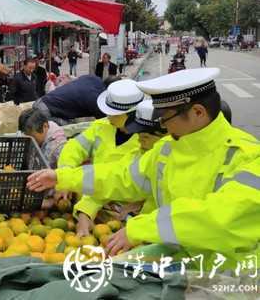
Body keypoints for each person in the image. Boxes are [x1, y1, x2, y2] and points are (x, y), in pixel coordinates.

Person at [27, 68, 260, 271]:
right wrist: (61, 177)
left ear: (198, 112)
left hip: (228, 279)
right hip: (175, 266)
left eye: (166, 117)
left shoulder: (248, 156)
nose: (163, 125)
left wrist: (139, 228)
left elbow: (219, 219)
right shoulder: (168, 148)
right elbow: (122, 177)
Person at [56, 79, 144, 237]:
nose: (108, 116)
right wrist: (64, 173)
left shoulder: (146, 139)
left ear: (130, 115)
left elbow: (117, 179)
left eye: (114, 114)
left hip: (128, 206)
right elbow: (74, 147)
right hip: (95, 195)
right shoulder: (101, 127)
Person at [19, 108, 68, 209]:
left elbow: (68, 171)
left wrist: (54, 199)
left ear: (45, 126)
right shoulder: (31, 132)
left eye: (33, 136)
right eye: (27, 136)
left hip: (50, 196)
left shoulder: (58, 146)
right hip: (34, 189)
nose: (31, 140)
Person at [33, 75, 120, 125]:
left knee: (72, 123)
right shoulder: (96, 99)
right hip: (45, 111)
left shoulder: (92, 78)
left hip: (41, 101)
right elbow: (107, 122)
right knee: (72, 129)